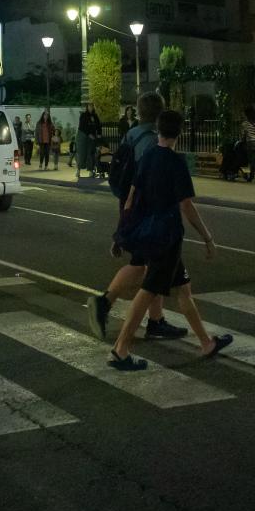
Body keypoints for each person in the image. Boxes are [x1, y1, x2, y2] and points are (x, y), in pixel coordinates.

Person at [100, 109, 233, 370]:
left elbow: (130, 198)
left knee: (183, 288)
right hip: (167, 238)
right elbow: (187, 205)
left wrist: (121, 233)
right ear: (180, 133)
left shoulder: (148, 157)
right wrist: (207, 237)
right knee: (148, 292)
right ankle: (120, 349)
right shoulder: (176, 162)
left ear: (158, 131)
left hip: (150, 236)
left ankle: (206, 342)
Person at [85, 93, 187, 342]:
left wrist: (123, 225)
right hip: (147, 211)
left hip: (134, 209)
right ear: (161, 113)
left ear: (139, 112)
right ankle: (106, 303)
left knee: (149, 265)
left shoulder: (132, 134)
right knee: (145, 265)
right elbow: (144, 182)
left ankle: (155, 320)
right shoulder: (151, 142)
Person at [76, 103, 102, 178]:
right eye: (89, 106)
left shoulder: (95, 116)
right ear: (87, 107)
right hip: (83, 137)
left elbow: (98, 126)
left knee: (90, 153)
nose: (91, 108)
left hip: (92, 137)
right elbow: (82, 126)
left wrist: (99, 134)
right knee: (82, 153)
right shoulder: (83, 115)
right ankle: (78, 170)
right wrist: (88, 134)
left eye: (92, 106)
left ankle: (91, 171)